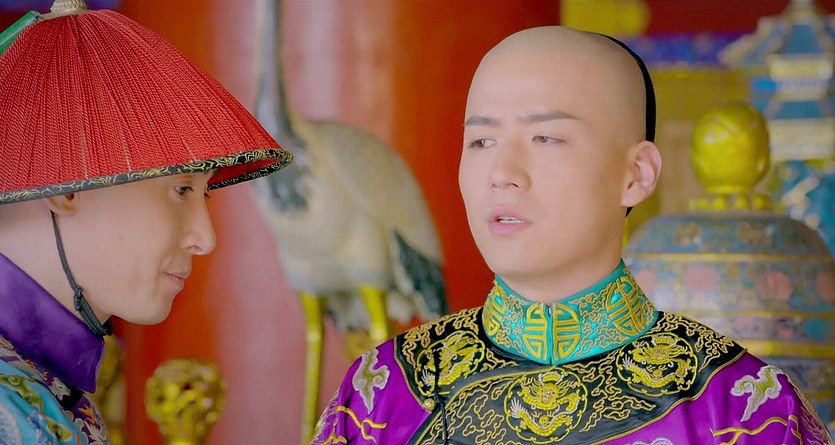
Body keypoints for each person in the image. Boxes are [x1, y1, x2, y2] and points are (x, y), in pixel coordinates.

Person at [310, 26, 832, 444]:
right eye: (482, 141)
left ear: (636, 174)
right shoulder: (383, 394)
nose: (502, 173)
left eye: (545, 137)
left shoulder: (742, 409)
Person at [0, 1, 291, 443]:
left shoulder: (40, 385)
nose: (205, 238)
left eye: (205, 192)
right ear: (66, 187)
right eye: (181, 190)